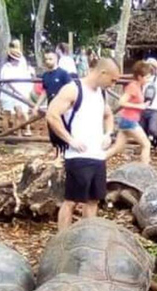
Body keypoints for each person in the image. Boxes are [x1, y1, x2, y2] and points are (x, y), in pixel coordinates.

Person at [46, 58, 119, 231]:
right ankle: (62, 239)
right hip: (78, 156)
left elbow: (108, 115)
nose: (113, 84)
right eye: (113, 80)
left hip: (97, 155)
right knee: (71, 200)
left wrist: (108, 134)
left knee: (93, 199)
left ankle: (87, 234)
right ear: (103, 73)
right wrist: (70, 139)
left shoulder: (101, 93)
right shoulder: (73, 89)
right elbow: (52, 115)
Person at [106, 61, 152, 164]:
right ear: (140, 77)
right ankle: (144, 171)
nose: (148, 80)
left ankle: (96, 160)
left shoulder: (138, 87)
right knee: (146, 144)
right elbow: (121, 102)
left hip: (127, 121)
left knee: (117, 148)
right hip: (129, 121)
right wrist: (139, 106)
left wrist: (144, 105)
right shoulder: (133, 86)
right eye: (147, 77)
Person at [33, 51, 72, 158]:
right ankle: (57, 153)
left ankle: (66, 153)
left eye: (50, 59)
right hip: (51, 107)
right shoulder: (45, 75)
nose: (48, 61)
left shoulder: (63, 74)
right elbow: (45, 91)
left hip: (63, 108)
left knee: (63, 128)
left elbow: (71, 89)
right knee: (52, 130)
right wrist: (37, 105)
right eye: (46, 59)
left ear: (56, 59)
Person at [0, 43, 33, 137]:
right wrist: (18, 92)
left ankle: (18, 134)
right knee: (7, 114)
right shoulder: (6, 68)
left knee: (18, 113)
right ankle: (5, 134)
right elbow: (9, 82)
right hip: (8, 94)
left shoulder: (18, 68)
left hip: (17, 94)